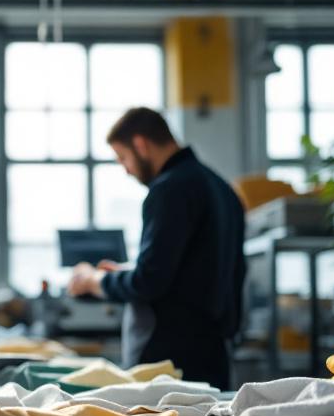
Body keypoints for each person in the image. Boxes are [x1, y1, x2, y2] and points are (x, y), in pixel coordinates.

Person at [67, 107, 246, 390]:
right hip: (216, 354)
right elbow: (209, 273)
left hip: (168, 364)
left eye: (123, 158)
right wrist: (126, 273)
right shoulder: (223, 189)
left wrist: (93, 280)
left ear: (141, 144)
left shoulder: (169, 189)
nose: (126, 170)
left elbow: (148, 281)